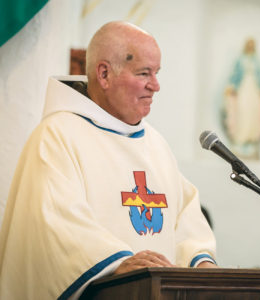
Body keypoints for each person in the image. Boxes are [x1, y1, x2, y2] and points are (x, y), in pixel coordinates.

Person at [0, 21, 217, 300]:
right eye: (144, 73)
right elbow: (53, 225)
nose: (156, 85)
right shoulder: (56, 136)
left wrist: (200, 260)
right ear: (104, 74)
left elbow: (185, 214)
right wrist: (116, 262)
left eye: (157, 73)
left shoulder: (155, 143)